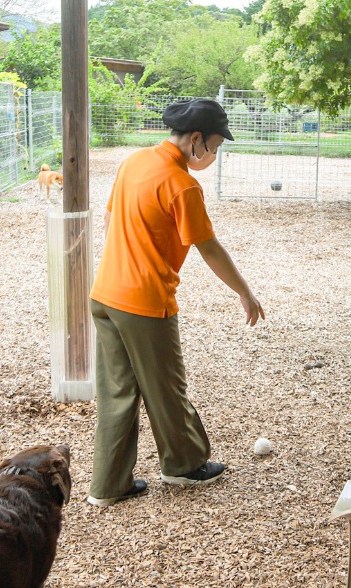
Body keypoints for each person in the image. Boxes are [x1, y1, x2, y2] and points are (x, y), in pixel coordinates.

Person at [87, 99, 264, 507]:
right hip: (145, 302)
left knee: (117, 390)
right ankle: (184, 465)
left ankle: (108, 486)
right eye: (216, 146)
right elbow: (209, 248)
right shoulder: (182, 184)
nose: (215, 155)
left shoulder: (134, 162)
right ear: (196, 139)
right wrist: (244, 291)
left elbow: (115, 218)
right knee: (166, 387)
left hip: (105, 294)